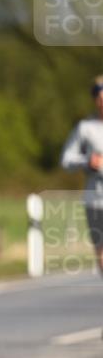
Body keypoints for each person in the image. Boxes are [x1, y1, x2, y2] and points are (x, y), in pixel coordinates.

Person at [60, 75, 103, 274]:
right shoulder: (85, 128)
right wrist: (87, 161)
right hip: (95, 200)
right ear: (94, 100)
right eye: (98, 96)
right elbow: (66, 159)